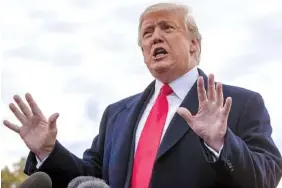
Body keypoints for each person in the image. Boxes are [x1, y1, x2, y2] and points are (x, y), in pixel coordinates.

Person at [3, 3, 282, 188]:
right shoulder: (116, 115)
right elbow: (91, 180)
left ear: (194, 46)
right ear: (143, 53)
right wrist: (48, 152)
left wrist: (220, 143)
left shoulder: (240, 104)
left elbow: (267, 177)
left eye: (167, 28)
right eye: (147, 33)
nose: (155, 38)